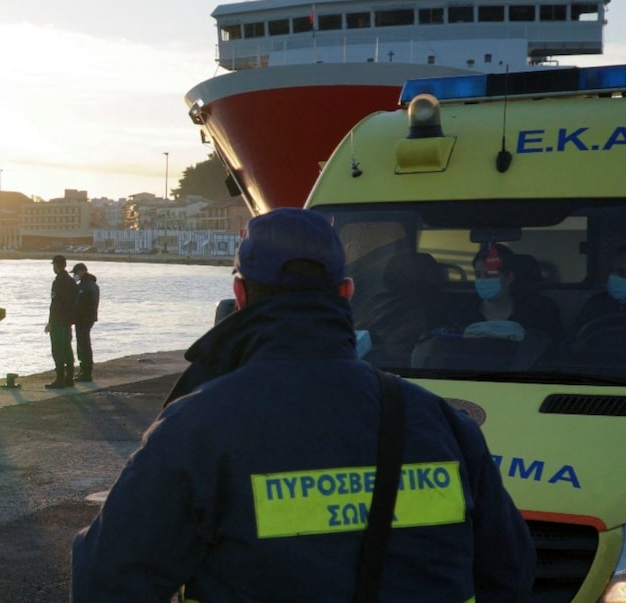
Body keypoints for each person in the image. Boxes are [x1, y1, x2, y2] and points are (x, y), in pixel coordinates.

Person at [71, 208, 534, 602]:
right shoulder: (442, 421)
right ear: (346, 293)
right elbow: (510, 574)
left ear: (240, 296)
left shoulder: (196, 429)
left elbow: (105, 581)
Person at [44, 254, 77, 389]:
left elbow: (55, 303)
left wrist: (50, 322)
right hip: (68, 321)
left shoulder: (58, 282)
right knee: (67, 349)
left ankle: (59, 380)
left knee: (57, 350)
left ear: (56, 266)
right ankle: (69, 378)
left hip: (58, 321)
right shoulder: (71, 281)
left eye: (53, 265)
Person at [72, 262, 100, 382]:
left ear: (81, 271)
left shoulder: (85, 286)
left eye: (76, 273)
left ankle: (86, 371)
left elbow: (80, 303)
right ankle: (85, 370)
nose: (75, 275)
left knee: (83, 344)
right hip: (89, 318)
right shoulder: (93, 285)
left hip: (83, 318)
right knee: (84, 343)